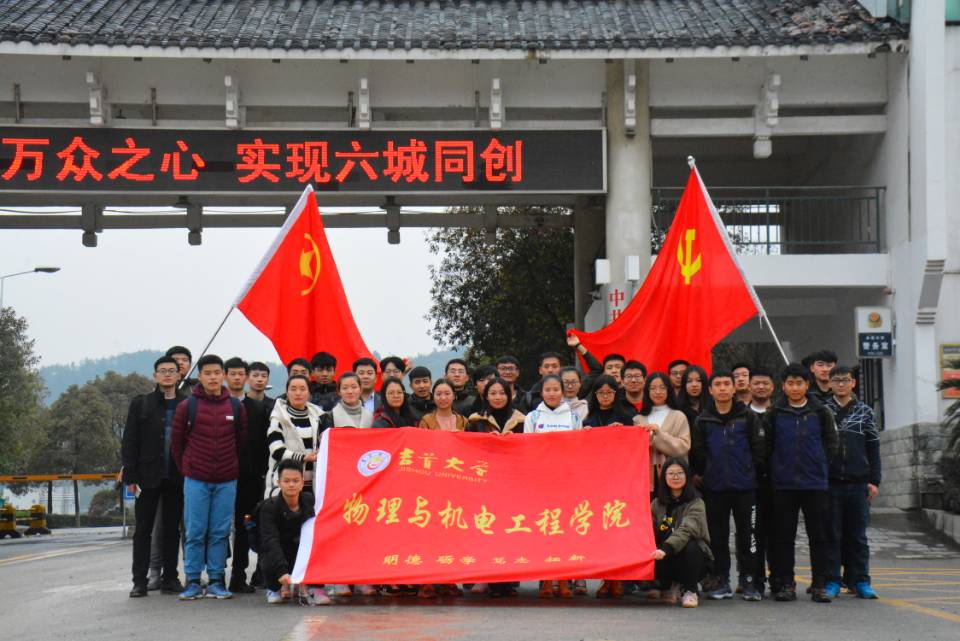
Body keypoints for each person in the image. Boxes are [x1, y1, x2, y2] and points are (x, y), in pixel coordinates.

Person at [171, 354, 247, 600]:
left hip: (226, 480)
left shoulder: (235, 406)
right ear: (200, 376)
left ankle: (216, 579)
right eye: (207, 373)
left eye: (216, 373)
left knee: (220, 532)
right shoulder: (187, 407)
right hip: (196, 479)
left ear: (223, 375)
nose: (213, 377)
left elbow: (240, 443)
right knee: (194, 531)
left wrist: (230, 466)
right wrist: (189, 468)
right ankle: (193, 580)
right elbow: (177, 444)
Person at [764, 363, 838, 603]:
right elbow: (767, 446)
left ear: (807, 385)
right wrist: (775, 469)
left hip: (815, 483)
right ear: (783, 386)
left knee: (819, 536)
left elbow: (831, 443)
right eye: (790, 383)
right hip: (783, 484)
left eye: (799, 383)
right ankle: (786, 583)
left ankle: (819, 584)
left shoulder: (820, 412)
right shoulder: (775, 413)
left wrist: (820, 464)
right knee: (783, 537)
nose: (795, 388)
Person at [690, 371, 765, 602]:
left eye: (726, 384)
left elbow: (759, 450)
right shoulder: (703, 419)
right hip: (715, 488)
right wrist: (705, 473)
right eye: (718, 385)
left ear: (734, 389)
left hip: (745, 487)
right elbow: (699, 452)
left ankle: (749, 581)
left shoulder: (748, 416)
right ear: (710, 390)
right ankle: (721, 580)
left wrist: (750, 473)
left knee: (749, 536)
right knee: (718, 537)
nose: (722, 388)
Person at [122, 356, 187, 598]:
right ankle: (140, 581)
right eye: (162, 370)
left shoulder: (186, 403)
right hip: (146, 476)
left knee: (172, 530)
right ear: (155, 376)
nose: (167, 374)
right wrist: (130, 476)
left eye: (172, 370)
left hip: (177, 477)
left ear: (179, 375)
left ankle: (170, 578)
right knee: (143, 530)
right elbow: (130, 440)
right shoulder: (142, 404)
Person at [823, 365, 881, 600]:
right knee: (832, 535)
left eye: (845, 380)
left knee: (858, 537)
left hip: (859, 484)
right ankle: (832, 581)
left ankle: (860, 581)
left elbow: (873, 447)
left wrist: (874, 480)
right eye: (836, 380)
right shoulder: (822, 410)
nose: (841, 384)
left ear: (853, 383)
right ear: (829, 383)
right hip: (830, 483)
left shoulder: (865, 412)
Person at [522, 374, 580, 599]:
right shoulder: (533, 417)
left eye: (556, 389)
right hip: (541, 483)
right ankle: (546, 579)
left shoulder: (573, 417)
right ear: (542, 392)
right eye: (548, 389)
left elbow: (580, 448)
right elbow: (527, 448)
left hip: (566, 482)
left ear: (563, 392)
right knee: (545, 530)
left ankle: (564, 579)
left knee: (564, 530)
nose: (552, 393)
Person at [582, 373, 636, 599]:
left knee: (618, 530)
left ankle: (618, 578)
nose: (605, 396)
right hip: (597, 483)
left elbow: (634, 445)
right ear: (595, 395)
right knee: (601, 532)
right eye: (600, 393)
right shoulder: (588, 419)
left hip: (621, 481)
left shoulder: (627, 416)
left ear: (616, 393)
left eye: (609, 392)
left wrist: (622, 432)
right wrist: (584, 436)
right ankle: (606, 579)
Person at [224, 357, 269, 594]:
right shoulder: (216, 405)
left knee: (245, 527)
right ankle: (214, 575)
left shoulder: (258, 409)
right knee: (218, 527)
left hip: (249, 477)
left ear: (246, 377)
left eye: (241, 374)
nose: (237, 378)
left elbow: (263, 446)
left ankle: (239, 576)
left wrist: (260, 473)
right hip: (220, 475)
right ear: (225, 376)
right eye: (232, 374)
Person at [258, 459, 329, 605]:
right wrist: (281, 570)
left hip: (302, 550)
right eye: (286, 481)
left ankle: (316, 587)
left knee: (322, 543)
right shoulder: (268, 507)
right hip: (280, 551)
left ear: (302, 483)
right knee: (268, 551)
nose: (291, 485)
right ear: (278, 482)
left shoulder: (311, 501)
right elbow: (270, 540)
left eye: (295, 481)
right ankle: (274, 587)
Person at [650, 457, 713, 609]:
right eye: (671, 474)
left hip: (692, 558)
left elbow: (687, 529)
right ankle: (668, 586)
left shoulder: (696, 503)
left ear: (687, 476)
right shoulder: (657, 504)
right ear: (664, 477)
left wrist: (666, 548)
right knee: (653, 549)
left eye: (680, 473)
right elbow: (651, 531)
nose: (675, 477)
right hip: (665, 556)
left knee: (691, 546)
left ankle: (691, 590)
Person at [265, 375, 323, 498]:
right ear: (287, 392)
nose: (298, 393)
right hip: (286, 482)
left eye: (302, 389)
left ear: (309, 393)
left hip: (313, 483)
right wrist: (304, 457)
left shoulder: (318, 417)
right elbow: (276, 450)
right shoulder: (278, 418)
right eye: (293, 389)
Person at [635, 372, 691, 489]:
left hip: (672, 473)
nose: (658, 392)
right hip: (645, 474)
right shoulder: (638, 419)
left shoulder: (679, 416)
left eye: (662, 388)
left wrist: (659, 434)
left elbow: (684, 447)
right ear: (647, 391)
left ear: (669, 390)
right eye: (653, 388)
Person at [677, 365, 708, 429]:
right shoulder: (677, 408)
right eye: (689, 381)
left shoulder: (713, 405)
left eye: (698, 380)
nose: (694, 385)